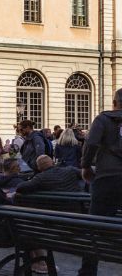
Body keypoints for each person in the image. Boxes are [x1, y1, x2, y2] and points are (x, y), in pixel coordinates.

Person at [80, 87, 122, 276]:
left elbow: (91, 144)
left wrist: (86, 166)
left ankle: (88, 271)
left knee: (94, 226)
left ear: (114, 103)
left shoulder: (103, 119)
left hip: (107, 178)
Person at [15, 155, 83, 196]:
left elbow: (20, 187)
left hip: (54, 211)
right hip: (76, 206)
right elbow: (86, 174)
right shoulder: (70, 170)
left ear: (39, 168)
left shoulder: (40, 178)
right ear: (53, 163)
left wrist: (30, 180)